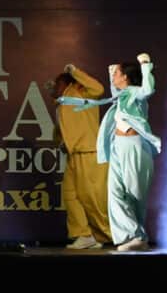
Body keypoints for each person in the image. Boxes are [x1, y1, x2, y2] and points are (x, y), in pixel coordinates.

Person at [59, 54, 160, 251]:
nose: (113, 75)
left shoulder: (135, 93)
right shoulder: (120, 96)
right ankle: (131, 235)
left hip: (133, 145)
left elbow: (148, 89)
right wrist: (113, 70)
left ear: (126, 77)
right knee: (114, 194)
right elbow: (114, 87)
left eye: (117, 73)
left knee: (134, 193)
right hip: (117, 147)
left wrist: (145, 65)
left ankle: (139, 237)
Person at [50, 65, 111, 250]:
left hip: (90, 153)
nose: (53, 87)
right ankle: (84, 235)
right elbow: (63, 129)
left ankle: (110, 234)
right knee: (70, 195)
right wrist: (62, 143)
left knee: (92, 198)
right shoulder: (62, 103)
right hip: (74, 156)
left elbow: (98, 89)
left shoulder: (81, 92)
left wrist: (74, 72)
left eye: (56, 84)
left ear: (66, 83)